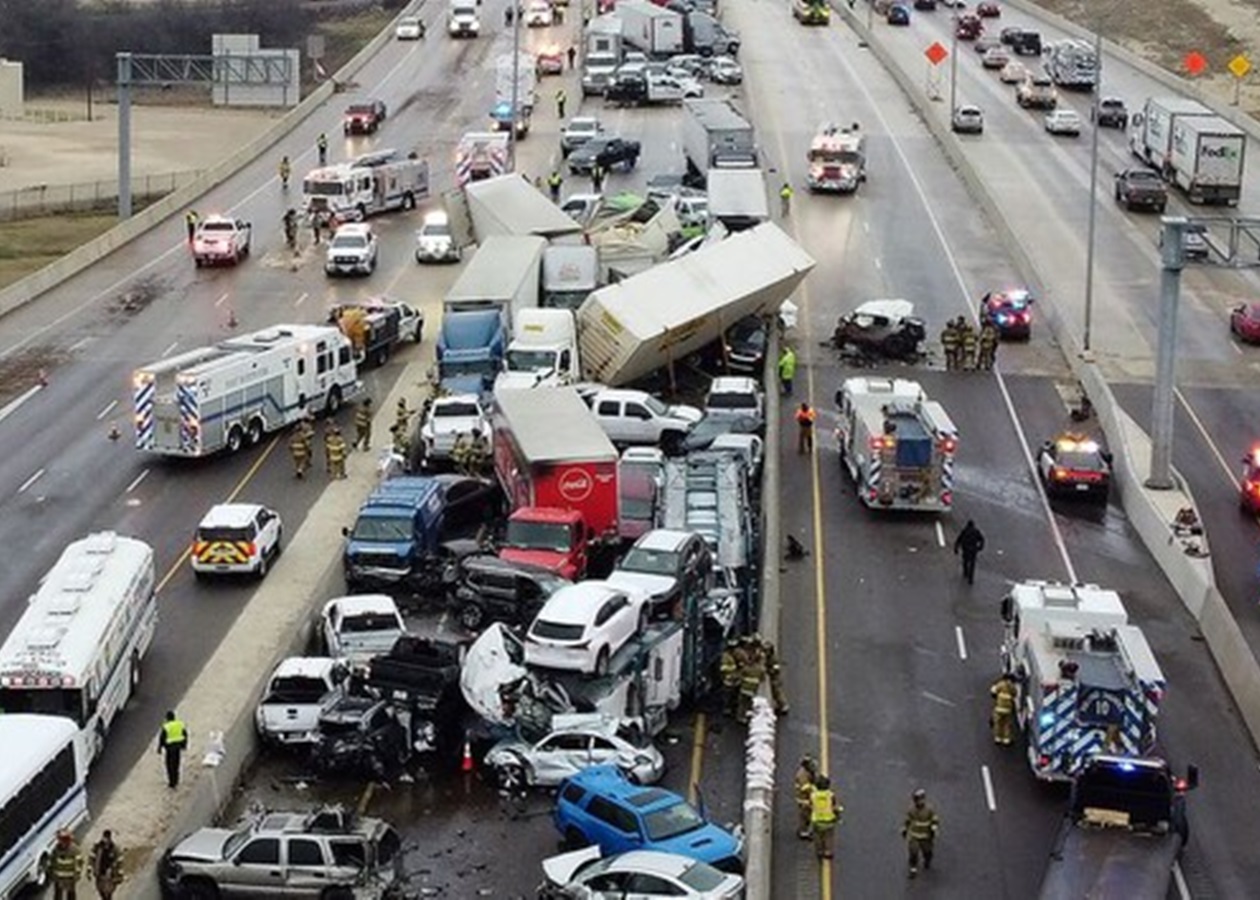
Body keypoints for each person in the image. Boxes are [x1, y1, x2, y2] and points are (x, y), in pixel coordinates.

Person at [902, 788, 940, 878]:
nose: (919, 802)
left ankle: (927, 860)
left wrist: (934, 827)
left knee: (927, 851)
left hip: (926, 836)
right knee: (913, 852)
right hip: (914, 835)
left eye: (920, 799)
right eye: (917, 800)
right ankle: (913, 869)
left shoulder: (929, 810)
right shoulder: (911, 810)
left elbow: (935, 818)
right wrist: (904, 829)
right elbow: (907, 820)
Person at [810, 775, 842, 860]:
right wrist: (838, 816)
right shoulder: (830, 795)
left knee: (818, 837)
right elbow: (835, 807)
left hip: (817, 820)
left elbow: (810, 805)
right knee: (828, 837)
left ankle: (819, 851)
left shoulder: (813, 795)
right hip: (829, 820)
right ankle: (828, 851)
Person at [46, 830, 83, 900]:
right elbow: (52, 862)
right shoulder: (56, 849)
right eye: (59, 839)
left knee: (71, 895)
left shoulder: (74, 850)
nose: (60, 842)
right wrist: (51, 873)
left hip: (70, 878)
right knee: (58, 895)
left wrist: (76, 875)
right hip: (58, 878)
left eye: (62, 839)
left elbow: (79, 863)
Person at [157, 710, 188, 789]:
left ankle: (172, 782)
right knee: (176, 764)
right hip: (178, 747)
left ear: (167, 718)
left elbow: (162, 738)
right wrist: (184, 745)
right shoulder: (179, 724)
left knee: (169, 765)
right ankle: (176, 779)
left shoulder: (166, 726)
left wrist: (160, 748)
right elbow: (185, 735)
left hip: (170, 749)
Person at [90, 830, 124, 900]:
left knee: (109, 892)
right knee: (101, 890)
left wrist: (120, 875)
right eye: (104, 837)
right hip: (99, 873)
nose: (105, 840)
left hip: (109, 875)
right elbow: (92, 857)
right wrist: (89, 869)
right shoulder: (98, 847)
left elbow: (119, 861)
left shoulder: (114, 848)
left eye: (107, 838)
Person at [738, 637, 765, 720]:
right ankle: (748, 713)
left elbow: (740, 675)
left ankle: (741, 716)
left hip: (744, 688)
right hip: (753, 689)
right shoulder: (761, 669)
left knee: (742, 703)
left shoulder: (747, 668)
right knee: (749, 701)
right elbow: (762, 679)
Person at [953, 519, 985, 585]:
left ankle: (965, 572)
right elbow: (982, 539)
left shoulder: (965, 531)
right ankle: (971, 578)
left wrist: (956, 548)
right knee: (972, 564)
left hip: (966, 549)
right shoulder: (976, 531)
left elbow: (959, 539)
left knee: (965, 561)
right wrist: (980, 547)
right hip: (973, 549)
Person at [762, 637, 789, 715]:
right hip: (773, 678)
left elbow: (776, 669)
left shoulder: (773, 659)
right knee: (775, 692)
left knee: (777, 692)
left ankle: (783, 705)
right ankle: (779, 704)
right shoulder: (768, 658)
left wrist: (769, 671)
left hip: (775, 678)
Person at [794, 756, 818, 839]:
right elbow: (805, 788)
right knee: (805, 815)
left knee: (807, 814)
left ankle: (804, 830)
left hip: (806, 797)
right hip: (804, 798)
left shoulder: (808, 772)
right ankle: (803, 832)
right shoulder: (802, 775)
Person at [990, 673, 1017, 746]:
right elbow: (1015, 694)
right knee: (1006, 724)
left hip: (999, 708)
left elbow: (994, 691)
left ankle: (998, 738)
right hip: (1008, 709)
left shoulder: (1001, 684)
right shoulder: (1012, 687)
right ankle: (1006, 740)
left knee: (998, 723)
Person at [719, 641, 741, 718]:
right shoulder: (726, 657)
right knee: (727, 696)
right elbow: (723, 668)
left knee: (734, 696)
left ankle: (732, 708)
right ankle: (727, 709)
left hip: (735, 680)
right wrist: (734, 669)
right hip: (728, 680)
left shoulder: (734, 655)